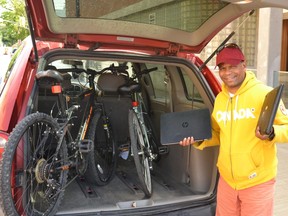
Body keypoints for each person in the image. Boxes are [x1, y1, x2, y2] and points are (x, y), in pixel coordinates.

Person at [179, 43, 288, 216]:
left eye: (233, 67)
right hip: (227, 182)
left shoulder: (264, 94)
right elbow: (216, 133)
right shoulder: (220, 99)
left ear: (244, 65)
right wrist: (198, 139)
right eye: (222, 68)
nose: (227, 73)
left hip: (257, 181)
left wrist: (272, 133)